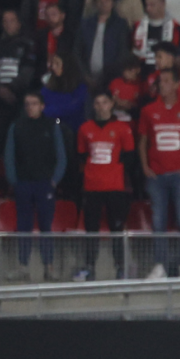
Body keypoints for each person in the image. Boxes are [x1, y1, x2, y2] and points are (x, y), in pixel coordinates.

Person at [139, 72, 180, 280]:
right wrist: (145, 166)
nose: (161, 85)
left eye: (165, 82)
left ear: (176, 85)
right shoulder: (148, 110)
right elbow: (143, 141)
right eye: (159, 82)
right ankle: (160, 265)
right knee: (158, 221)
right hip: (156, 175)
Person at [3, 91, 66, 280]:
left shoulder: (51, 125)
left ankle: (49, 267)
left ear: (42, 106)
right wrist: (14, 180)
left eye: (34, 103)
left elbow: (61, 156)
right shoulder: (16, 126)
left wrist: (55, 180)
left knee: (46, 226)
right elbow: (9, 156)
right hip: (23, 183)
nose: (30, 107)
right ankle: (23, 267)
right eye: (27, 103)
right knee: (24, 226)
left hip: (45, 184)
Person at [75, 93, 133, 281]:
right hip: (92, 187)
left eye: (105, 102)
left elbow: (129, 157)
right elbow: (82, 155)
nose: (101, 106)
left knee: (117, 229)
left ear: (112, 105)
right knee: (91, 230)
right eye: (97, 103)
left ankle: (121, 268)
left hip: (115, 187)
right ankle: (90, 267)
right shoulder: (85, 128)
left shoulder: (122, 128)